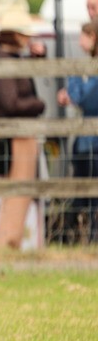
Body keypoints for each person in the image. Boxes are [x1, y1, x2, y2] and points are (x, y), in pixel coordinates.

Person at [0, 10, 45, 250]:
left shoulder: (9, 58)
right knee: (18, 190)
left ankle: (10, 240)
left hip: (15, 132)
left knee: (15, 191)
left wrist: (37, 60)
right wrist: (39, 104)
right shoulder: (3, 60)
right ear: (15, 35)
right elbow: (12, 102)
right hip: (15, 134)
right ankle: (7, 241)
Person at [57, 21, 98, 241]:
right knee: (85, 193)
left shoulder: (92, 69)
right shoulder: (90, 66)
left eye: (83, 36)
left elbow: (86, 99)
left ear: (93, 37)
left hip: (92, 143)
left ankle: (89, 237)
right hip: (86, 141)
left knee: (90, 194)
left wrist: (72, 78)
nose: (79, 42)